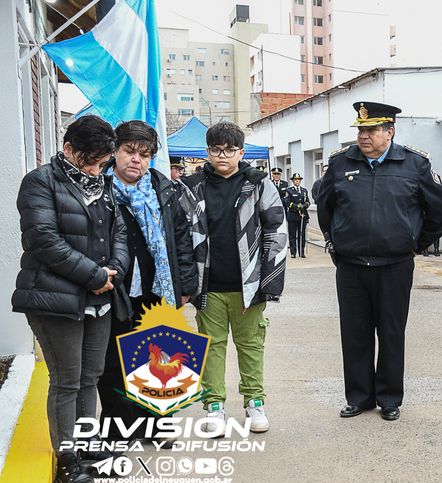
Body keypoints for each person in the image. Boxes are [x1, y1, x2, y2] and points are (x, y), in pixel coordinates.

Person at [12, 115, 129, 483]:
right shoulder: (40, 182)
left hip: (98, 297)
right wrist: (94, 274)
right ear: (68, 150)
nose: (97, 169)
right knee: (66, 379)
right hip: (54, 299)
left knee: (91, 375)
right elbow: (42, 238)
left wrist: (116, 268)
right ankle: (66, 459)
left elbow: (120, 233)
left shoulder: (104, 185)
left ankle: (85, 442)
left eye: (102, 163)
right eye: (90, 161)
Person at [317, 101, 442, 421]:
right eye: (361, 129)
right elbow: (324, 207)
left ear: (390, 131)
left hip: (395, 266)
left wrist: (414, 245)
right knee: (354, 333)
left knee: (391, 333)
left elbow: (438, 213)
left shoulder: (414, 164)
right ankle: (359, 397)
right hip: (351, 266)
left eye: (372, 129)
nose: (364, 135)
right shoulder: (339, 163)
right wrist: (336, 243)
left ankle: (389, 398)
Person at [182, 122, 288, 434]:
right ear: (207, 152)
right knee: (211, 346)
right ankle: (213, 407)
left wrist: (268, 284)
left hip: (249, 286)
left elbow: (277, 231)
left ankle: (255, 403)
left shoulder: (258, 184)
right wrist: (187, 284)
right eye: (216, 150)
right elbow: (181, 238)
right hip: (208, 286)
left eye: (230, 150)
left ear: (240, 152)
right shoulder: (191, 187)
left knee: (251, 345)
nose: (223, 155)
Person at [97, 120, 198, 443]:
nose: (135, 160)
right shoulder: (99, 189)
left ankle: (156, 425)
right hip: (116, 291)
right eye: (129, 151)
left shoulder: (163, 190)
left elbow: (181, 239)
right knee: (113, 361)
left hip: (158, 288)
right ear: (115, 152)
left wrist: (184, 286)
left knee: (160, 358)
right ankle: (119, 427)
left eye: (144, 154)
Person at [284, 172, 311, 258]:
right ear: (293, 181)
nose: (297, 181)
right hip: (293, 215)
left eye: (298, 180)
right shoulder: (289, 190)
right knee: (292, 235)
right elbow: (287, 202)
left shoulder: (304, 191)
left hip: (302, 216)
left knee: (301, 234)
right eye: (295, 180)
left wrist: (304, 206)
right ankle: (293, 252)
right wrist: (297, 207)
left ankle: (301, 252)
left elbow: (307, 201)